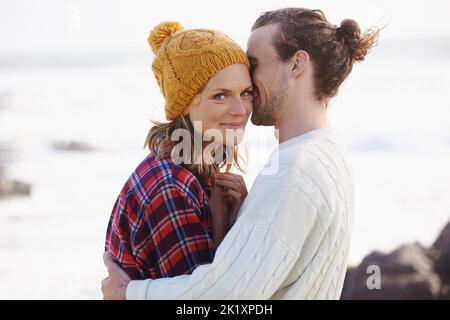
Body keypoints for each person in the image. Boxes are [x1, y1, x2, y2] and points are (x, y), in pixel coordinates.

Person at [102, 8, 380, 299]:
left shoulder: (293, 170)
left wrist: (129, 294)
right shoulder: (328, 150)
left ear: (297, 63)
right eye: (220, 94)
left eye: (254, 65)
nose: (243, 102)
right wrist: (241, 220)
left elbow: (223, 295)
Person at [104, 21, 253, 281]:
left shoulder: (200, 174)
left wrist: (233, 217)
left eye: (246, 92)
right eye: (220, 96)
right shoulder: (171, 187)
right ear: (183, 105)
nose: (241, 110)